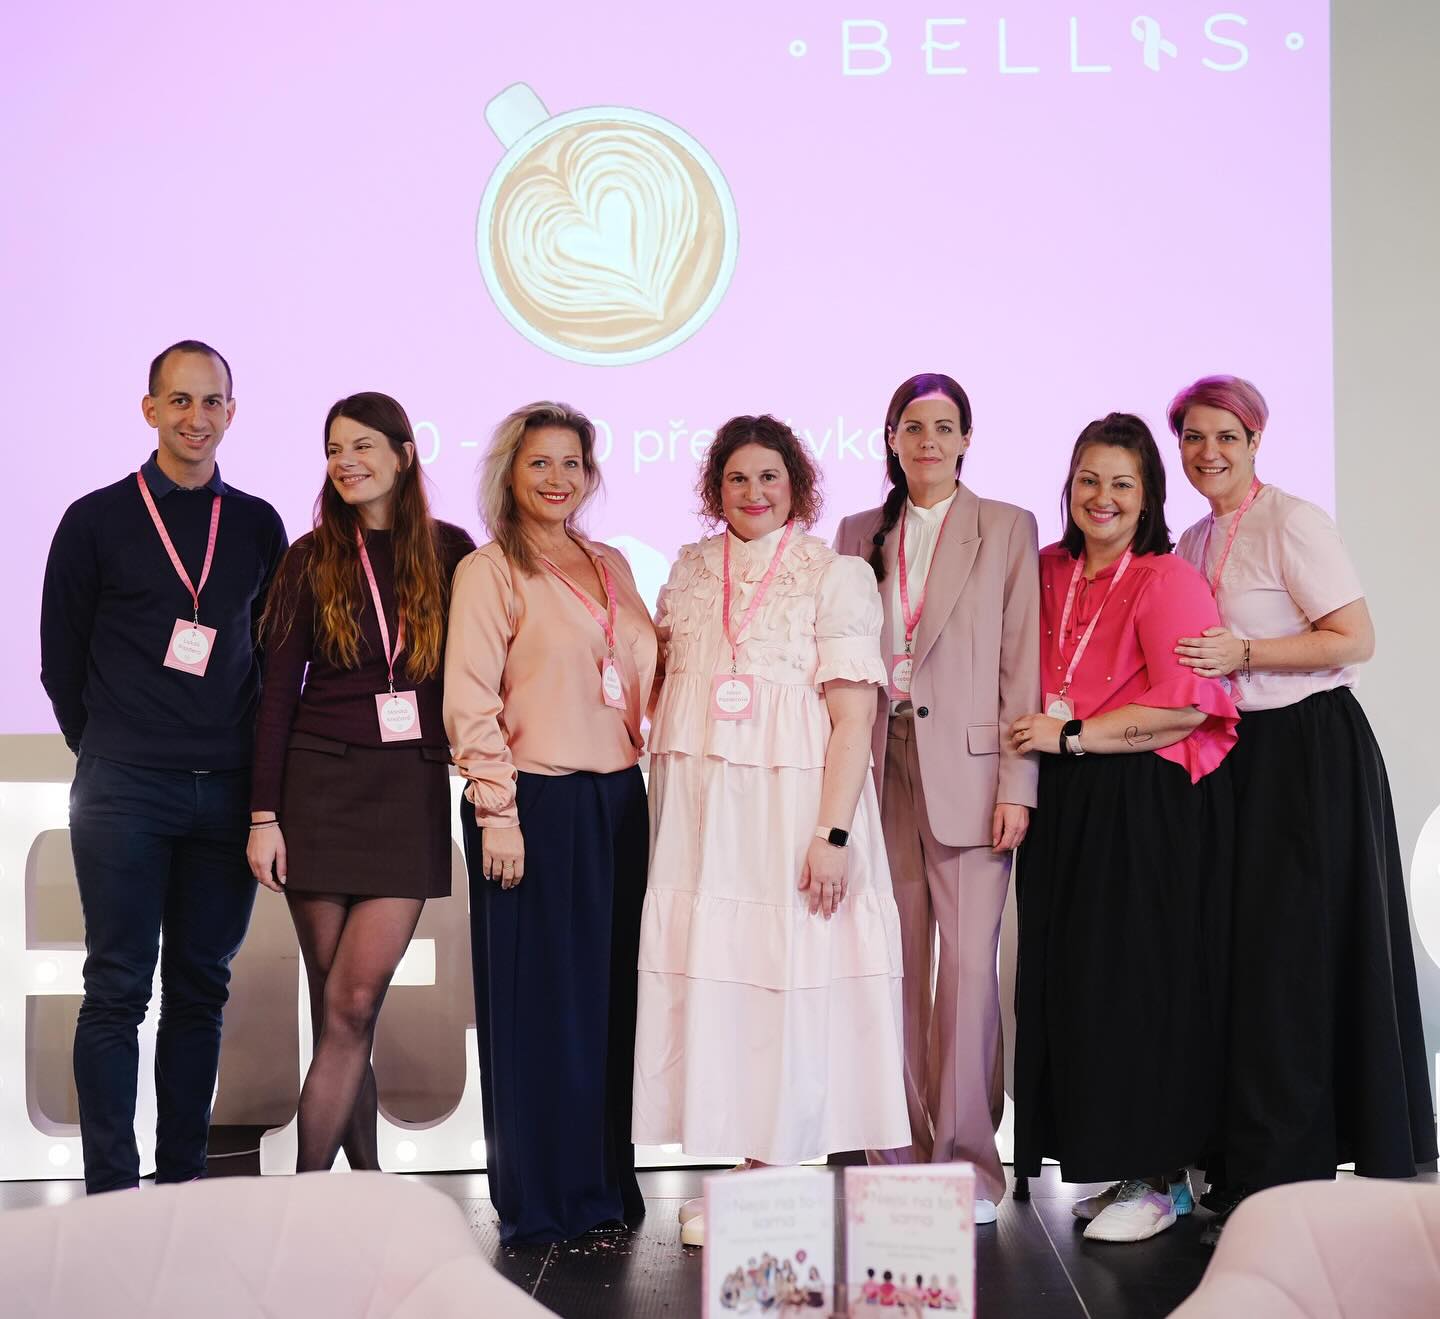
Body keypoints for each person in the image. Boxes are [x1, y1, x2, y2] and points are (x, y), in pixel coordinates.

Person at [632, 415, 909, 1248]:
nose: (753, 492)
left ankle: (778, 1167)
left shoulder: (835, 574)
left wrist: (833, 833)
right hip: (704, 811)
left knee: (788, 970)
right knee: (723, 975)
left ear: (797, 486)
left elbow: (854, 719)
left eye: (769, 477)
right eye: (737, 478)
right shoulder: (690, 570)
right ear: (715, 488)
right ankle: (749, 1162)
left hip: (792, 806)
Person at [1169, 374, 1436, 1227]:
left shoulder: (1293, 522)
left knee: (1292, 958)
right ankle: (1243, 1156)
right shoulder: (1192, 538)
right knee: (1240, 959)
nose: (1209, 451)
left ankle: (1287, 1171)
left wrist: (1247, 651)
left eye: (1227, 436)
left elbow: (1355, 637)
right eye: (1194, 436)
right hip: (1232, 755)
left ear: (1255, 442)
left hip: (1309, 751)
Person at [39, 340, 287, 1193]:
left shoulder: (257, 524)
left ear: (232, 412)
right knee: (116, 988)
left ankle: (182, 1186)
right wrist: (113, 747)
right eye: (179, 400)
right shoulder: (95, 519)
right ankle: (112, 1192)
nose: (196, 417)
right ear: (150, 409)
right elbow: (60, 661)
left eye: (212, 401)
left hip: (226, 791)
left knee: (200, 990)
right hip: (124, 789)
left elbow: (270, 662)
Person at [1009, 412, 1238, 1243]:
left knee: (1141, 981)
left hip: (1139, 795)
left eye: (1121, 483)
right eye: (1088, 479)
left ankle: (1164, 1177)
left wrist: (1074, 733)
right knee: (1077, 985)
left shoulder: (1165, 578)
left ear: (1148, 497)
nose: (1101, 497)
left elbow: (1184, 710)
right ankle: (1117, 1166)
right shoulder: (1045, 568)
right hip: (1063, 791)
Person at [444, 401, 657, 1243]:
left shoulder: (611, 564)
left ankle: (599, 1185)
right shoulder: (490, 569)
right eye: (540, 462)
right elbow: (469, 698)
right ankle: (540, 1199)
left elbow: (645, 673)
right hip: (530, 804)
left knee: (608, 1004)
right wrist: (497, 811)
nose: (557, 478)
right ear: (510, 473)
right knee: (539, 1008)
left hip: (618, 803)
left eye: (572, 462)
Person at [247, 392, 473, 1171]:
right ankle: (352, 1190)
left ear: (405, 455)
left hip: (409, 790)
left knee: (352, 1001)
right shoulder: (309, 557)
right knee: (339, 1011)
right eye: (334, 449)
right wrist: (263, 815)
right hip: (319, 789)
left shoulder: (451, 551)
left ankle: (316, 1197)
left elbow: (481, 668)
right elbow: (277, 695)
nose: (345, 462)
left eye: (363, 445)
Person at [834, 373, 1040, 1224]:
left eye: (944, 426)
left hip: (974, 774)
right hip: (878, 766)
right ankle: (894, 1153)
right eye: (912, 426)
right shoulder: (856, 531)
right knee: (890, 964)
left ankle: (967, 1164)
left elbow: (1021, 662)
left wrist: (1018, 783)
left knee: (965, 974)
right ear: (890, 438)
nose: (928, 440)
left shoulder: (1007, 527)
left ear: (966, 439)